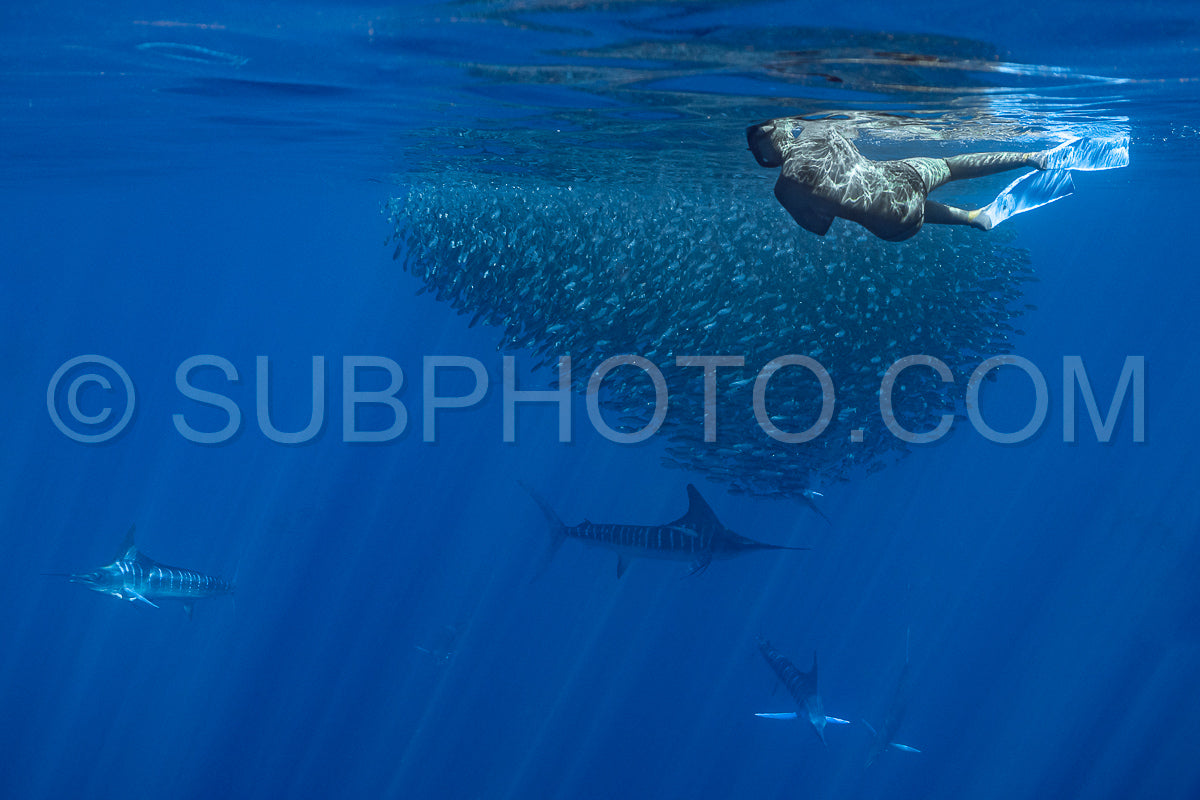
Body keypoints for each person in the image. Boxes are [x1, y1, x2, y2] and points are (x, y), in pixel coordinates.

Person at [747, 119, 1067, 241]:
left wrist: (827, 196)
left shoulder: (783, 191)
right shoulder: (815, 129)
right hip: (898, 180)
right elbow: (853, 129)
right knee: (949, 166)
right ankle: (1030, 158)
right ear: (779, 131)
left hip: (893, 228)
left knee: (909, 207)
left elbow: (820, 226)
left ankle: (973, 218)